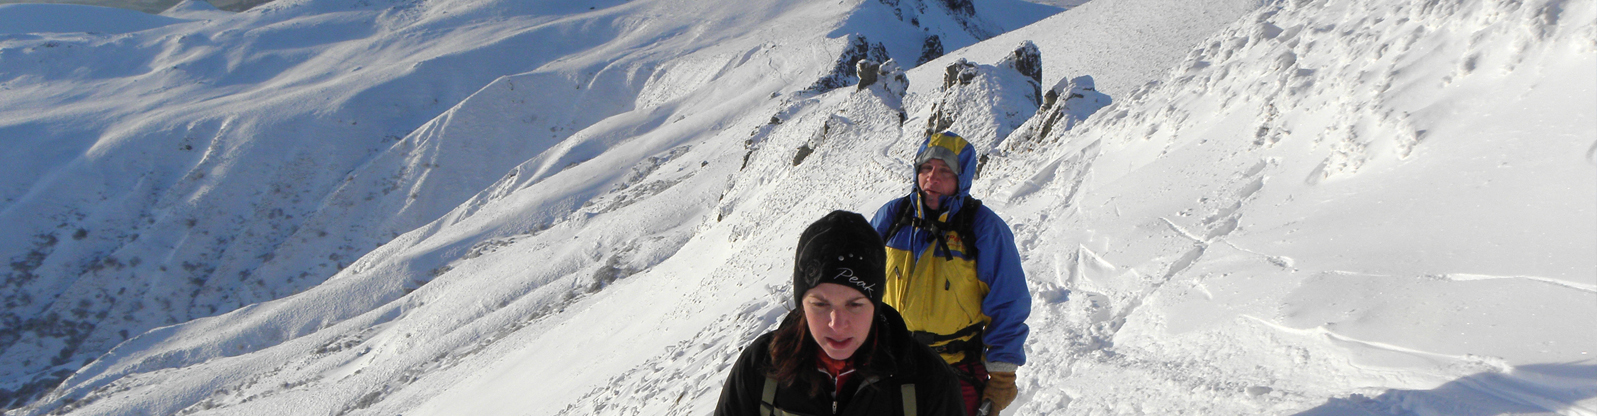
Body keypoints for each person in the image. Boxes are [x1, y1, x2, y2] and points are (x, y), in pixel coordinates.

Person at [714, 211, 965, 416]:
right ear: (802, 304)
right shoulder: (760, 368)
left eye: (855, 305)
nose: (837, 324)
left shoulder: (927, 381)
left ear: (875, 305)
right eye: (820, 305)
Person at [870, 131, 1031, 415]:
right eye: (926, 168)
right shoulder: (893, 217)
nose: (933, 177)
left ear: (962, 179)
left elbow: (1008, 303)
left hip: (956, 369)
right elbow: (859, 283)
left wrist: (1003, 376)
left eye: (945, 171)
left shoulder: (983, 228)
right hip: (890, 363)